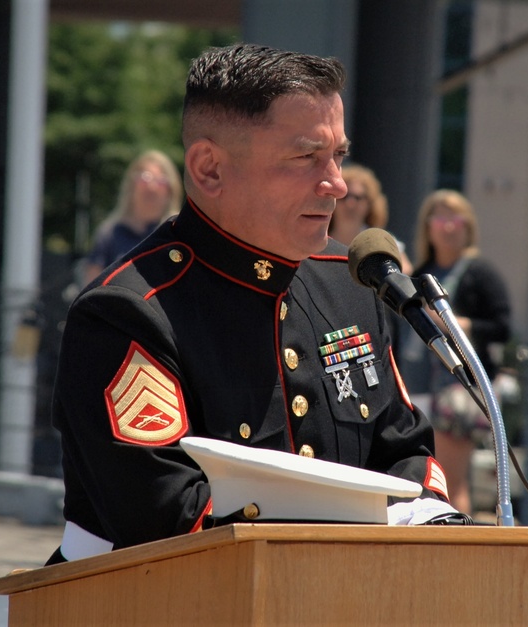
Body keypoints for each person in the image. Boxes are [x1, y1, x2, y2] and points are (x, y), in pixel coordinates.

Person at [47, 44, 460, 565]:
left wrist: (427, 514)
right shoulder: (128, 313)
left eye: (338, 155)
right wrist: (370, 525)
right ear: (210, 169)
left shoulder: (353, 283)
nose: (335, 183)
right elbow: (169, 525)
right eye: (307, 157)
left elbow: (404, 450)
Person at [398, 189, 511, 515]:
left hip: (457, 389)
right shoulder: (419, 272)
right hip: (416, 388)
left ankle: (461, 546)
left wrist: (455, 324)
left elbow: (502, 327)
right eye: (440, 217)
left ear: (468, 227)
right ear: (428, 227)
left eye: (456, 218)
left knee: (449, 481)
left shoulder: (480, 273)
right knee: (420, 482)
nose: (448, 226)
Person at [80, 149, 183, 284]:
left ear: (171, 190)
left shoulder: (177, 233)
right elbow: (91, 287)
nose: (152, 187)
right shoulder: (109, 234)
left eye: (161, 181)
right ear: (131, 185)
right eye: (145, 178)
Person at [329, 163, 412, 274]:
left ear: (370, 204)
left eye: (358, 198)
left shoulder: (380, 239)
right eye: (344, 196)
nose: (350, 204)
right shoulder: (318, 238)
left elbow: (405, 270)